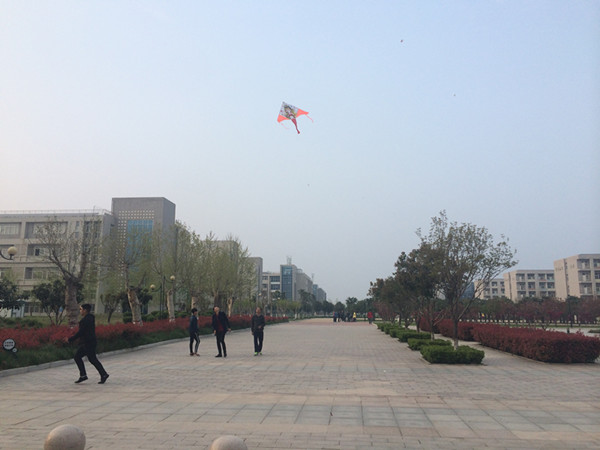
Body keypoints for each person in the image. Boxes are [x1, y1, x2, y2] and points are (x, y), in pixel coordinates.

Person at [67, 303, 109, 384]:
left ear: (85, 310)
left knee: (79, 357)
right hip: (90, 342)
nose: (80, 311)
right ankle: (102, 374)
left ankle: (86, 375)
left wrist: (70, 339)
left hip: (87, 343)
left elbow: (81, 332)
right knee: (91, 359)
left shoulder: (85, 320)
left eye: (81, 309)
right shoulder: (90, 318)